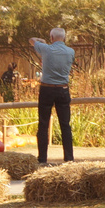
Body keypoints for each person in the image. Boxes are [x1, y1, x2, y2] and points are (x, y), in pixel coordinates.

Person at [31, 27, 76, 165]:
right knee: (65, 125)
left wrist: (42, 41)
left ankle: (42, 158)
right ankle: (69, 158)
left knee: (43, 124)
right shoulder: (71, 51)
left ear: (51, 38)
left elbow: (31, 40)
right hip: (63, 89)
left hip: (47, 89)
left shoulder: (46, 49)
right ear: (64, 38)